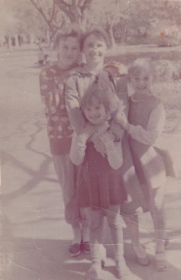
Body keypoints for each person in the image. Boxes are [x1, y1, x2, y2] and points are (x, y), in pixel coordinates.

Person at [65, 26, 149, 268]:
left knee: (118, 208)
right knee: (93, 209)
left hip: (114, 145)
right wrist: (93, 136)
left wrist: (111, 136)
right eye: (89, 45)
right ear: (83, 49)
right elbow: (74, 114)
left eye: (99, 44)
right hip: (90, 148)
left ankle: (124, 254)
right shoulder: (74, 80)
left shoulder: (117, 76)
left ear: (106, 48)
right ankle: (96, 258)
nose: (94, 49)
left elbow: (121, 109)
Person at [39, 26, 90, 257]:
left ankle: (88, 234)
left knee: (86, 186)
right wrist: (66, 77)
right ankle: (75, 233)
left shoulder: (84, 72)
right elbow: (51, 105)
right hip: (60, 139)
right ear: (57, 48)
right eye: (65, 47)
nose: (69, 52)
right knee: (68, 188)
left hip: (83, 137)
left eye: (74, 48)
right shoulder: (47, 73)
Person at [70, 85, 130, 280]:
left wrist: (109, 146)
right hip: (90, 183)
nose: (93, 113)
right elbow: (76, 160)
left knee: (114, 223)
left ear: (106, 109)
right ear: (83, 111)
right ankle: (96, 263)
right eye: (88, 109)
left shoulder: (112, 131)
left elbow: (117, 163)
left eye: (97, 108)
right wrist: (83, 138)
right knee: (94, 223)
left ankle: (120, 262)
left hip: (111, 182)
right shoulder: (81, 132)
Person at [115, 58, 168, 272]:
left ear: (153, 78)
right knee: (130, 207)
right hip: (129, 162)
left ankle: (160, 248)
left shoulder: (156, 104)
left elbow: (150, 136)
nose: (141, 83)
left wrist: (127, 125)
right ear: (130, 80)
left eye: (146, 78)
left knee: (156, 205)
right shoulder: (125, 102)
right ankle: (136, 245)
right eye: (136, 78)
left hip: (149, 161)